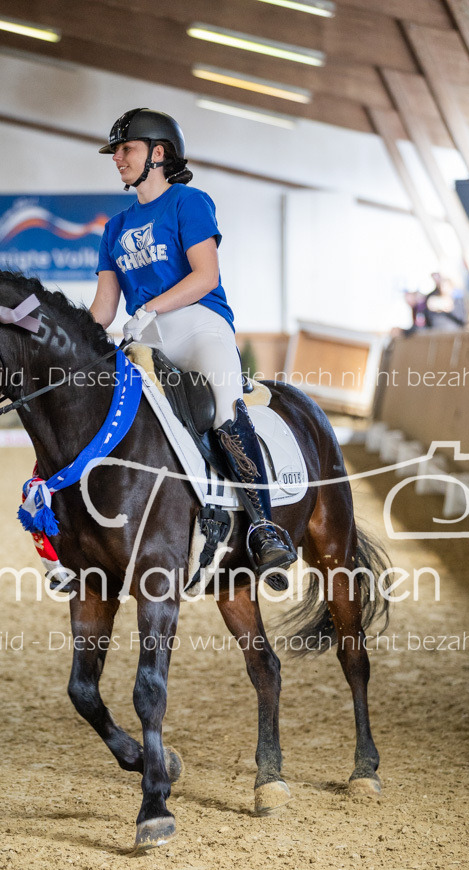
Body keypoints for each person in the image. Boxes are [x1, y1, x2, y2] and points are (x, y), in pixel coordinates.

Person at [89, 107, 295, 576]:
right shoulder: (114, 228)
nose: (117, 158)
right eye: (115, 151)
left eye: (126, 149)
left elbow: (205, 276)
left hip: (199, 325)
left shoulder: (189, 202)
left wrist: (150, 308)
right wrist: (57, 332)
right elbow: (103, 309)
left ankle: (265, 528)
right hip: (146, 337)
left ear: (158, 154)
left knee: (224, 406)